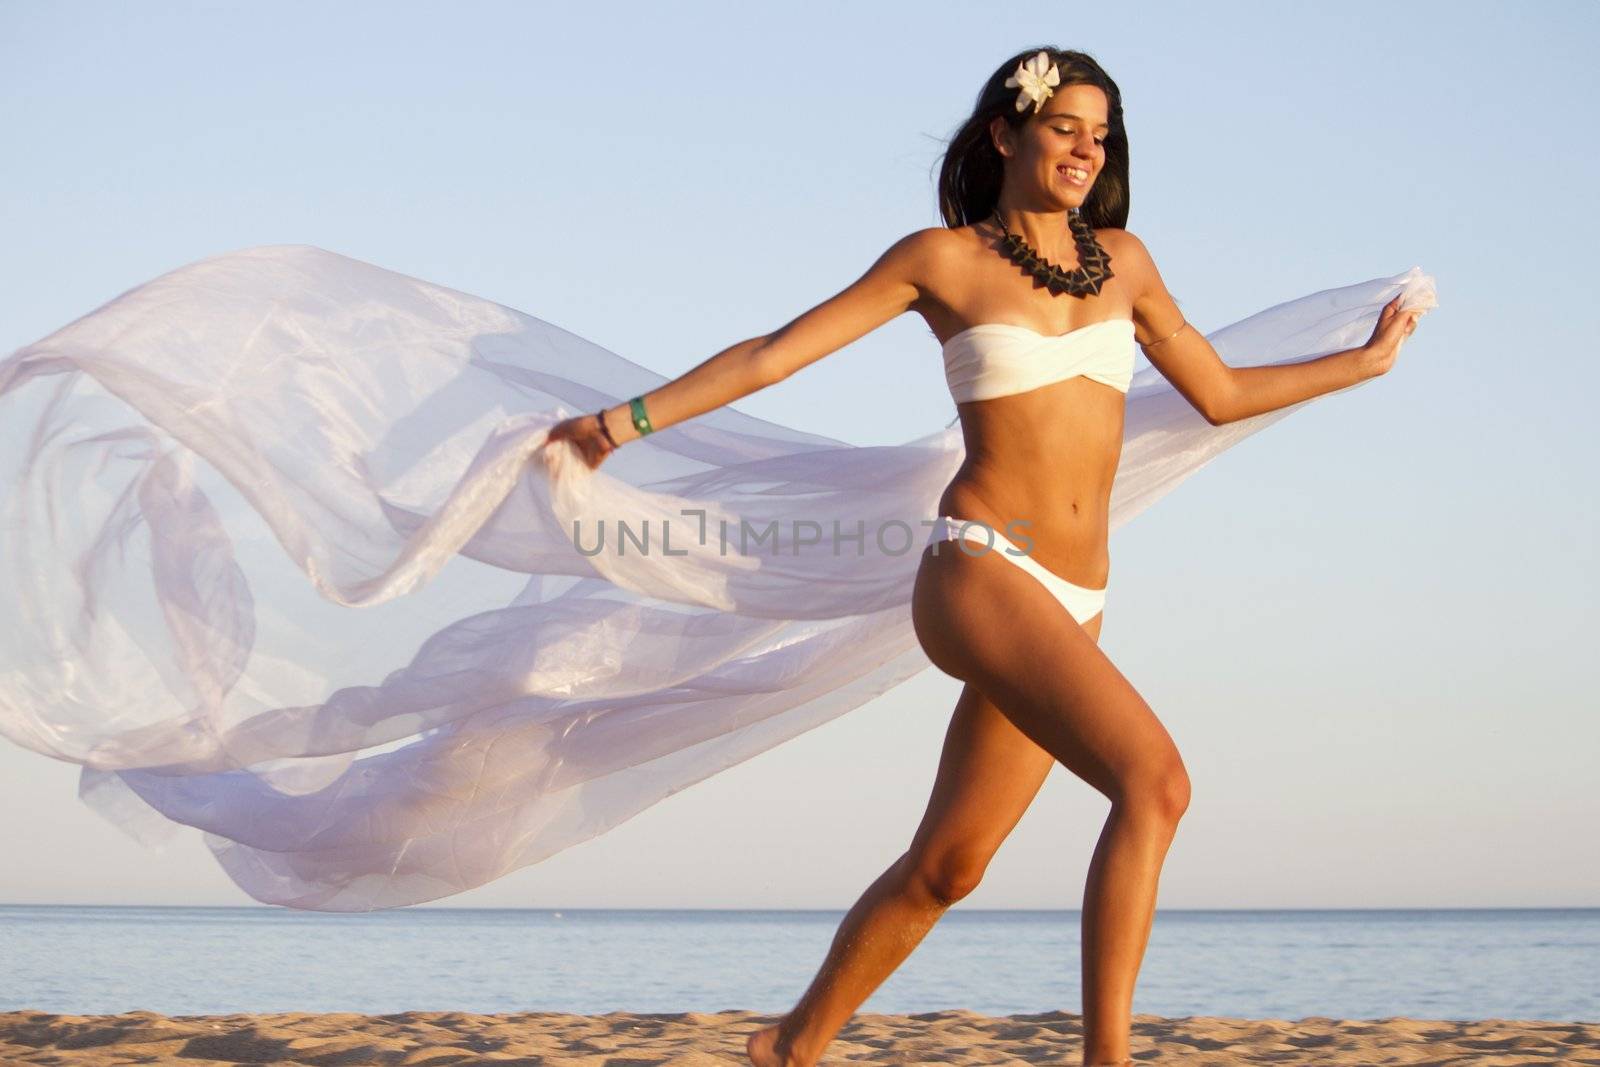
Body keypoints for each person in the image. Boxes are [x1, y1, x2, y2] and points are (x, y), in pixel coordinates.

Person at [545, 47, 1422, 1067]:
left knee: (950, 865)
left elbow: (1218, 393)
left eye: (1101, 133)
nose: (1087, 148)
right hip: (980, 565)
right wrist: (625, 422)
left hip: (1076, 592)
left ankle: (789, 1042)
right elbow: (775, 352)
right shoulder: (940, 259)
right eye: (1065, 126)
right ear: (1007, 132)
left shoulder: (1125, 264)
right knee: (1156, 781)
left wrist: (1362, 364)